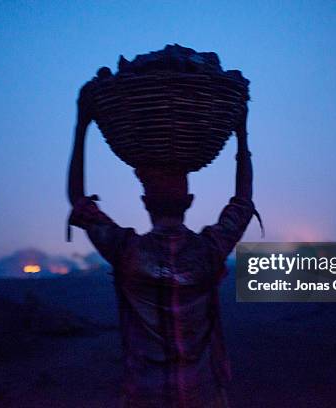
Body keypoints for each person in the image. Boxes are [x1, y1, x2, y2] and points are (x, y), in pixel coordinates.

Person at [68, 107, 255, 408]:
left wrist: (82, 124)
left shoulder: (126, 251)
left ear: (144, 202)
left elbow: (78, 200)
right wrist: (240, 131)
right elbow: (244, 201)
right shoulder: (211, 250)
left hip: (144, 396)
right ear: (190, 201)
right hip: (203, 394)